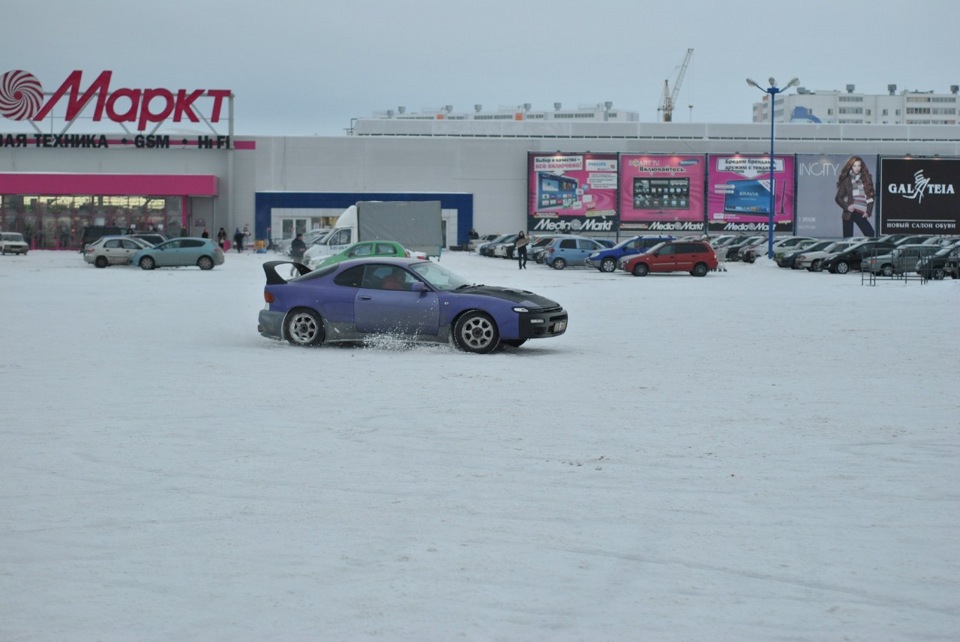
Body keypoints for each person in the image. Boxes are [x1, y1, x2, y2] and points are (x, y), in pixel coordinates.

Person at [835, 156, 876, 238]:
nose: (857, 168)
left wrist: (868, 212)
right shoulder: (847, 180)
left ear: (862, 166)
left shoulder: (866, 179)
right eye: (854, 166)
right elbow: (838, 198)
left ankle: (869, 251)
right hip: (850, 212)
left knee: (870, 234)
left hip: (860, 212)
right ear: (851, 166)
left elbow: (870, 198)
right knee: (847, 238)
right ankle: (849, 251)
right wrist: (847, 207)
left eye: (859, 166)